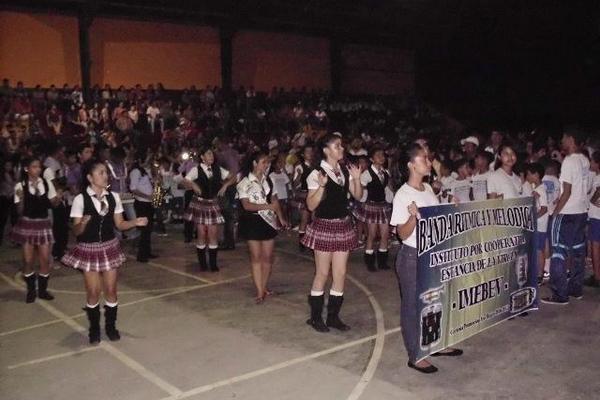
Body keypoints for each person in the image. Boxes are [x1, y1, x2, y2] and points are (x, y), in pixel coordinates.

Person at [390, 143, 463, 374]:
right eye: (424, 159)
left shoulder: (428, 189)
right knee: (413, 307)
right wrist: (412, 217)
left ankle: (435, 344)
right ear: (412, 165)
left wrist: (451, 207)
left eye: (429, 158)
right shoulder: (403, 194)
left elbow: (435, 219)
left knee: (434, 302)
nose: (429, 162)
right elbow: (401, 234)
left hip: (432, 255)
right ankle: (415, 355)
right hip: (412, 256)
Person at [62, 160, 148, 344]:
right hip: (89, 248)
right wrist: (83, 223)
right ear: (90, 177)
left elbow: (120, 224)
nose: (105, 175)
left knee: (111, 290)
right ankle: (94, 329)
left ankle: (110, 327)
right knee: (93, 292)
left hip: (109, 246)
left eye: (105, 172)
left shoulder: (114, 197)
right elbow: (75, 231)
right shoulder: (80, 199)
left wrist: (135, 222)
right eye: (101, 172)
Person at [303, 134, 362, 332]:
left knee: (341, 273)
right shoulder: (317, 173)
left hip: (343, 225)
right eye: (337, 146)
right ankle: (315, 317)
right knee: (322, 273)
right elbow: (311, 206)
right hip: (325, 226)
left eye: (341, 145)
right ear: (326, 150)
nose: (341, 149)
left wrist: (356, 179)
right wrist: (321, 186)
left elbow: (358, 195)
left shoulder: (343, 170)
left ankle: (333, 317)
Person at [543, 128, 591, 305]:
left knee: (558, 252)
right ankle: (575, 289)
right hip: (581, 211)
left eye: (563, 138)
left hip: (567, 213)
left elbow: (567, 191)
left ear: (571, 139)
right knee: (578, 251)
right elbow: (583, 187)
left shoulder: (569, 161)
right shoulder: (584, 160)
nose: (561, 141)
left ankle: (559, 294)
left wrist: (556, 213)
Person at [237, 151, 288, 303]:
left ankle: (264, 286)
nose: (266, 165)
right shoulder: (244, 182)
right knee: (256, 257)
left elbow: (275, 200)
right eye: (263, 162)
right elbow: (246, 206)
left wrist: (280, 218)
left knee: (267, 258)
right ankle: (260, 291)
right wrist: (268, 206)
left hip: (268, 222)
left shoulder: (269, 181)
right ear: (254, 163)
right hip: (252, 222)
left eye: (267, 162)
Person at [10, 157, 61, 303]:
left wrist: (58, 196)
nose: (37, 169)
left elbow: (53, 204)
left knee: (45, 259)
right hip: (27, 224)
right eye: (34, 167)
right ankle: (31, 291)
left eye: (39, 167)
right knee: (28, 260)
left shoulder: (45, 183)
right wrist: (21, 199)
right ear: (27, 169)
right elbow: (19, 210)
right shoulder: (21, 185)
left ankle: (43, 290)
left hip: (43, 224)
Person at [184, 146, 235, 272]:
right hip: (200, 203)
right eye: (208, 154)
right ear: (202, 157)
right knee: (201, 234)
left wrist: (225, 186)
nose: (211, 156)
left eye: (212, 154)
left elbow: (234, 177)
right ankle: (202, 264)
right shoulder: (196, 169)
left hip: (213, 202)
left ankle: (213, 264)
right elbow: (184, 181)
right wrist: (193, 184)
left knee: (213, 234)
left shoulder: (218, 169)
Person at [360, 147, 392, 271]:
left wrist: (391, 199)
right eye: (378, 155)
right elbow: (361, 191)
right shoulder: (366, 174)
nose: (381, 157)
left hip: (383, 206)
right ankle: (370, 262)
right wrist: (363, 200)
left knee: (385, 234)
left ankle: (382, 261)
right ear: (372, 159)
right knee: (372, 234)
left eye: (382, 155)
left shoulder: (385, 172)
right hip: (372, 206)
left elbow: (388, 189)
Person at [525, 163, 549, 283]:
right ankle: (538, 272)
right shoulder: (538, 188)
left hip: (540, 225)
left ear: (536, 175)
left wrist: (533, 218)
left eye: (529, 173)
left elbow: (544, 208)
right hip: (539, 224)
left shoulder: (540, 190)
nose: (527, 176)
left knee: (539, 250)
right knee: (539, 249)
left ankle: (540, 274)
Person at [129, 155, 155, 262]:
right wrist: (147, 196)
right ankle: (142, 255)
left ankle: (147, 252)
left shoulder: (146, 170)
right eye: (147, 158)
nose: (149, 160)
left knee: (148, 229)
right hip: (142, 203)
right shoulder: (136, 172)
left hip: (149, 203)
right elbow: (133, 189)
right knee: (144, 230)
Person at [292, 144, 315, 252]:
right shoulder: (299, 166)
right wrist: (299, 176)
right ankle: (302, 241)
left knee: (314, 220)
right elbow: (295, 183)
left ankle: (311, 241)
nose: (309, 153)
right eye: (307, 151)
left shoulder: (316, 165)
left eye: (311, 151)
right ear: (303, 154)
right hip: (304, 194)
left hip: (314, 194)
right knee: (305, 219)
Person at [585, 151, 600, 288]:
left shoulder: (598, 177)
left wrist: (593, 199)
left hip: (597, 217)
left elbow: (598, 191)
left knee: (595, 247)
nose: (591, 163)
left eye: (592, 161)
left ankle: (597, 277)